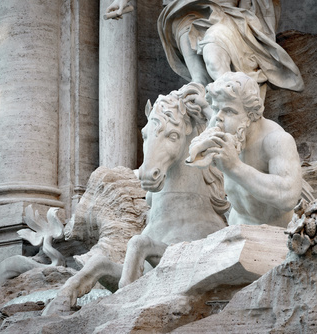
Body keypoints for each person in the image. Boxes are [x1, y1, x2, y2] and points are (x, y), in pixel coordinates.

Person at [106, 0, 304, 99]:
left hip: (229, 17)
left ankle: (235, 118)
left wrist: (251, 26)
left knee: (215, 60)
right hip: (185, 16)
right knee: (198, 83)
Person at [199, 71, 302, 227]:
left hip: (276, 235)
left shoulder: (276, 140)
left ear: (251, 114)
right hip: (236, 229)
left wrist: (235, 167)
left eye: (228, 111)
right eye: (215, 109)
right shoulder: (233, 138)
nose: (218, 117)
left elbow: (288, 197)